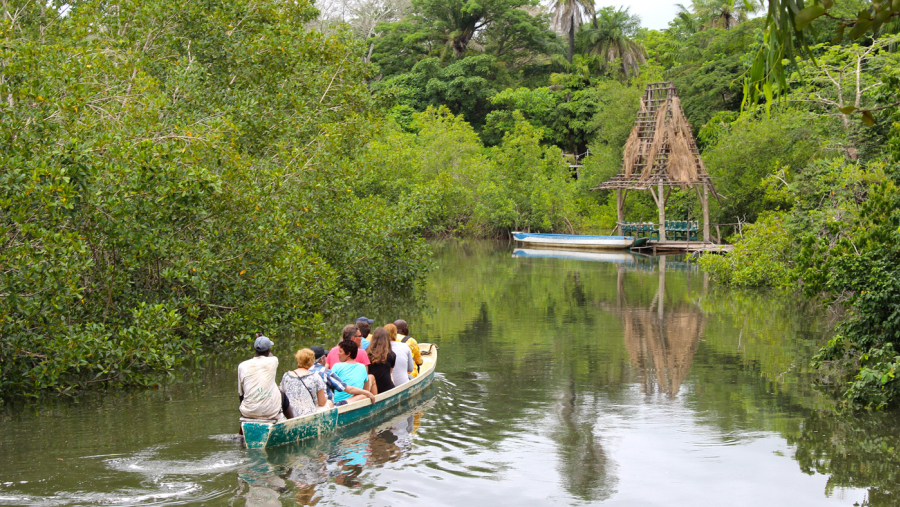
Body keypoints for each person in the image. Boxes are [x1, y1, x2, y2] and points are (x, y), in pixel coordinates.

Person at [238, 335, 291, 422]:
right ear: (269, 350)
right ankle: (292, 422)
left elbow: (241, 395)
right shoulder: (273, 361)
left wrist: (245, 413)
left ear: (254, 349)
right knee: (282, 395)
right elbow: (270, 356)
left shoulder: (242, 365)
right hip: (270, 412)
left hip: (247, 412)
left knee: (245, 396)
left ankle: (242, 430)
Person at [309, 345, 375, 404]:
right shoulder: (326, 372)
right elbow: (348, 389)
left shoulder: (300, 372)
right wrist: (367, 393)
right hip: (328, 406)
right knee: (362, 396)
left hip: (311, 406)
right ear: (321, 359)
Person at [280, 348, 329, 418]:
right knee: (327, 404)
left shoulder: (286, 376)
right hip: (308, 415)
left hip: (289, 415)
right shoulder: (315, 377)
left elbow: (283, 398)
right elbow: (322, 402)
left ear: (297, 361)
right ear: (312, 361)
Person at [331, 340, 376, 405]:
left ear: (348, 354)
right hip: (356, 402)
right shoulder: (362, 367)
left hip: (338, 402)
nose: (338, 354)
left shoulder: (337, 366)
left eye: (340, 351)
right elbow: (366, 389)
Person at [366, 328, 396, 394]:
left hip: (372, 389)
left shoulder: (367, 353)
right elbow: (389, 372)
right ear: (387, 339)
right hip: (387, 388)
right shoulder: (392, 354)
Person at [385, 324, 414, 388]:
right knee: (411, 376)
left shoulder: (380, 348)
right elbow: (410, 369)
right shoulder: (405, 346)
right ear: (396, 334)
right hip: (403, 385)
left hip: (385, 387)